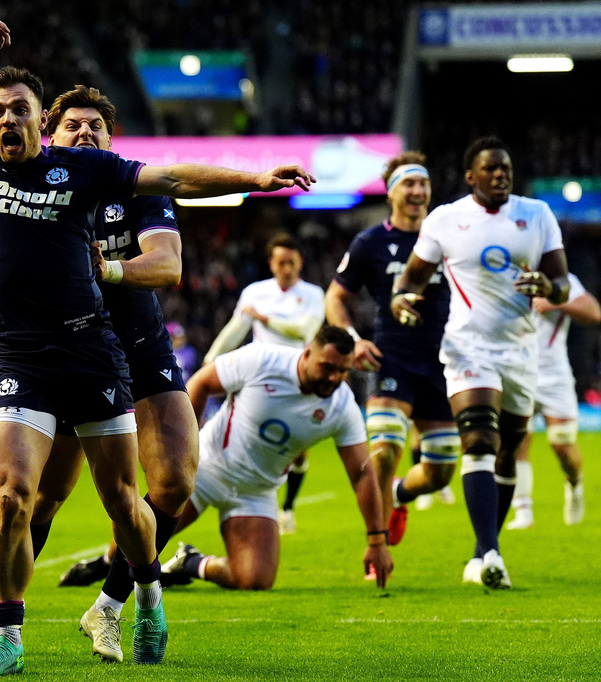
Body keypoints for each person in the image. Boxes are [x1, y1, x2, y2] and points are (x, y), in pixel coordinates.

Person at [0, 18, 314, 677]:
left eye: (20, 109)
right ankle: (6, 636)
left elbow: (174, 180)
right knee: (12, 497)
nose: (8, 119)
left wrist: (257, 179)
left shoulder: (83, 170)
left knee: (124, 497)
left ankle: (144, 595)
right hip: (22, 360)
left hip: (95, 354)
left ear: (38, 121)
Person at [14, 85, 199, 665]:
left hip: (140, 349)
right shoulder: (29, 188)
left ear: (111, 138)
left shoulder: (131, 187)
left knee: (174, 482)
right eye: (73, 125)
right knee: (44, 498)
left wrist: (109, 268)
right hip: (70, 353)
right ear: (50, 134)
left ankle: (110, 606)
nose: (85, 132)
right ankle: (6, 626)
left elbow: (167, 265)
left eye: (96, 125)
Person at [391, 136, 569, 589]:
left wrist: (549, 288)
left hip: (521, 350)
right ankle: (491, 553)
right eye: (491, 168)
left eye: (505, 167)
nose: (500, 174)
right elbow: (411, 278)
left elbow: (563, 283)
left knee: (507, 452)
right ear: (471, 177)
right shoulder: (445, 219)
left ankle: (481, 553)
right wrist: (400, 300)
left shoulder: (537, 215)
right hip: (468, 345)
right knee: (479, 440)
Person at [160, 326, 393, 590]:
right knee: (137, 542)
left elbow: (361, 474)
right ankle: (121, 582)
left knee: (254, 579)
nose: (334, 378)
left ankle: (191, 563)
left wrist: (377, 541)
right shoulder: (263, 360)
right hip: (206, 469)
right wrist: (180, 451)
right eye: (327, 367)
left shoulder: (342, 406)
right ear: (307, 353)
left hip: (255, 493)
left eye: (343, 371)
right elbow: (201, 383)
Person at [325, 151, 460, 557]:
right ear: (390, 193)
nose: (418, 191)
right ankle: (377, 545)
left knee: (441, 471)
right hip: (392, 358)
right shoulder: (370, 243)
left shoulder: (451, 237)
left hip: (444, 361)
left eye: (423, 184)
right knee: (383, 453)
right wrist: (353, 339)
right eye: (409, 184)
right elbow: (335, 297)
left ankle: (400, 494)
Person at [204, 233, 325, 534]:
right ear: (271, 263)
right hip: (258, 377)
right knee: (249, 441)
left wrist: (264, 318)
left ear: (300, 263)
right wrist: (211, 359)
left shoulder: (312, 294)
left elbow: (304, 329)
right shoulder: (254, 292)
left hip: (297, 379)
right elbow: (236, 329)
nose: (287, 268)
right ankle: (246, 505)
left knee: (297, 451)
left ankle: (288, 506)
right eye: (281, 262)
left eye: (292, 262)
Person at [507, 273, 599, 529]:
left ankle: (574, 483)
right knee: (516, 441)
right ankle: (523, 511)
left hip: (553, 374)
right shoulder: (505, 273)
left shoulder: (561, 279)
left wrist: (556, 301)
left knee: (562, 444)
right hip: (516, 371)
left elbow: (594, 312)